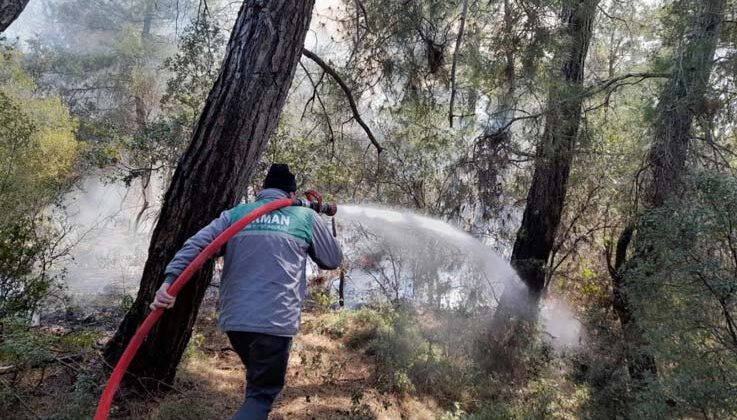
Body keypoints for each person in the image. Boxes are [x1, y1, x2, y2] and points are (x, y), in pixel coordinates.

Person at [150, 163, 343, 420]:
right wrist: (324, 228)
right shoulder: (305, 217)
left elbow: (197, 245)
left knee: (257, 387)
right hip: (274, 323)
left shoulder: (236, 215)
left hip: (236, 323)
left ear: (263, 191)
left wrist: (168, 282)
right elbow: (332, 260)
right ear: (291, 195)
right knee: (260, 397)